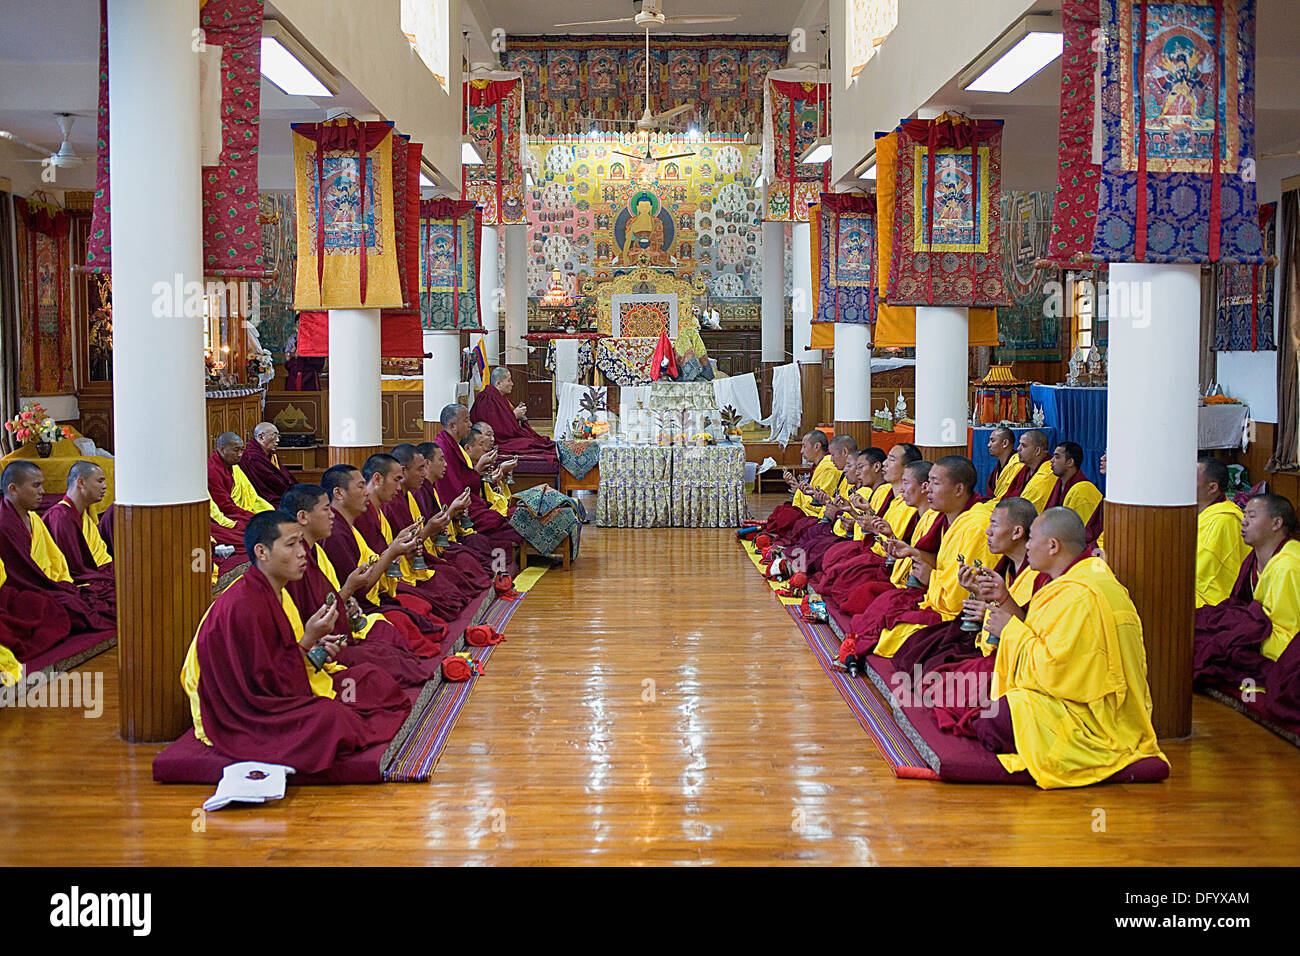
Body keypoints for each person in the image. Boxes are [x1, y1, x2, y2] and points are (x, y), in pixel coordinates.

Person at [180, 510, 412, 774]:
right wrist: (309, 641)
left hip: (282, 687)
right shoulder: (244, 604)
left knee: (372, 679)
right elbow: (260, 684)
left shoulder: (275, 591)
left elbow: (280, 658)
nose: (302, 552)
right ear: (262, 552)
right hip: (244, 712)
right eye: (291, 544)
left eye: (301, 543)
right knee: (331, 718)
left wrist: (315, 647)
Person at [972, 508, 1169, 789]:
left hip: (1091, 712)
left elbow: (1056, 671)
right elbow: (1049, 645)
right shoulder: (1076, 580)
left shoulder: (1081, 594)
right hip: (1080, 695)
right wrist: (1005, 606)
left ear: (1053, 546)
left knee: (996, 717)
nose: (1026, 545)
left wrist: (1010, 631)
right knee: (984, 704)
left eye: (1032, 539)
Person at [279, 484, 440, 685]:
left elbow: (329, 598)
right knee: (380, 669)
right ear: (303, 517)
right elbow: (304, 618)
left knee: (393, 643)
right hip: (319, 646)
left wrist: (346, 600)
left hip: (342, 625)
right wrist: (348, 590)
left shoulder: (316, 551)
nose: (331, 515)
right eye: (325, 509)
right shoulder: (296, 561)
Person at [851, 456, 995, 662]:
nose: (927, 489)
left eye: (935, 483)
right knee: (881, 607)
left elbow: (958, 598)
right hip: (934, 596)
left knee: (894, 638)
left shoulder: (975, 527)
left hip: (954, 614)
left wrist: (930, 578)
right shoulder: (952, 518)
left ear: (958, 490)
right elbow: (945, 566)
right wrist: (911, 551)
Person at [892, 495, 1040, 674]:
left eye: (994, 525)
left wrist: (987, 613)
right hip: (983, 640)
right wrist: (976, 592)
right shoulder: (1008, 566)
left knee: (939, 675)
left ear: (1017, 532)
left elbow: (1031, 629)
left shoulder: (1036, 576)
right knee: (917, 648)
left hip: (1009, 658)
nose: (988, 532)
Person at [318, 463, 448, 655]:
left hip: (375, 598)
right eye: (360, 487)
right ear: (338, 494)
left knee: (424, 608)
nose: (365, 493)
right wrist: (392, 553)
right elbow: (359, 592)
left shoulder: (349, 526)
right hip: (360, 610)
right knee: (401, 629)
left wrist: (401, 547)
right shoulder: (335, 533)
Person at [0, 461, 116, 662]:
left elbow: (56, 560)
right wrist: (61, 587)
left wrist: (63, 584)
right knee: (60, 607)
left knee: (76, 603)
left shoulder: (33, 519)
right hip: (23, 588)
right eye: (36, 485)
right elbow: (18, 573)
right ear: (13, 489)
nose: (42, 492)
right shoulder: (6, 523)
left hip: (49, 583)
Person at [1193, 494, 1300, 699]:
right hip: (1261, 628)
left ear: (1277, 523)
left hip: (1281, 641)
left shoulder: (1289, 566)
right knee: (1203, 630)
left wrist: (1245, 633)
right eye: (1244, 515)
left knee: (1227, 650)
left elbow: (1289, 632)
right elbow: (1240, 603)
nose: (1244, 522)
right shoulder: (1254, 558)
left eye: (1252, 516)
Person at [354, 453, 475, 621]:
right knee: (427, 610)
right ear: (377, 479)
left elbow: (396, 551)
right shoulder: (367, 514)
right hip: (381, 589)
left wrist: (409, 546)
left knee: (453, 582)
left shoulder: (393, 504)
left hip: (394, 578)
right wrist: (399, 550)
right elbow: (366, 569)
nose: (398, 487)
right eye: (396, 480)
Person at [385, 443, 491, 591]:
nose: (424, 473)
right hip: (410, 567)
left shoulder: (411, 494)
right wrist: (440, 520)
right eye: (420, 468)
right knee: (453, 579)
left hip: (426, 555)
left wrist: (453, 514)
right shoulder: (397, 502)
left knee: (473, 553)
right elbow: (406, 547)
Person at [42, 460, 115, 598]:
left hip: (98, 573)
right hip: (80, 582)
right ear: (81, 482)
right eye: (100, 481)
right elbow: (74, 570)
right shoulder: (60, 517)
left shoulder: (84, 516)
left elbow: (98, 557)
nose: (105, 487)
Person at [469, 367, 559, 469]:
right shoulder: (487, 399)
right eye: (508, 380)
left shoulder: (498, 397)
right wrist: (514, 415)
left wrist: (514, 416)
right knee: (529, 443)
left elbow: (502, 420)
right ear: (498, 383)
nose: (512, 383)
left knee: (533, 441)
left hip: (503, 438)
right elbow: (499, 430)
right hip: (496, 441)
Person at [762, 430, 842, 540]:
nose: (801, 451)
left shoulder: (828, 468)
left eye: (804, 446)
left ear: (817, 446)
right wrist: (797, 487)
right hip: (808, 509)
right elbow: (812, 493)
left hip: (817, 514)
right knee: (781, 512)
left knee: (786, 516)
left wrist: (798, 491)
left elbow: (818, 502)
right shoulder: (819, 465)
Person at [1195, 456, 1249, 608]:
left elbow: (1204, 573)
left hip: (1210, 600)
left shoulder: (1225, 520)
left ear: (1212, 488)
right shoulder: (1191, 511)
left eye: (1191, 479)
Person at [208, 431, 273, 546]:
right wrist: (249, 515)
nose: (240, 454)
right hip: (224, 514)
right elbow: (224, 505)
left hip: (234, 509)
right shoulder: (212, 470)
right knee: (248, 532)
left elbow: (249, 494)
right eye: (236, 450)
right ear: (222, 450)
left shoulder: (233, 467)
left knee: (268, 513)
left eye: (242, 450)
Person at [1046, 441, 1103, 544]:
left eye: (1057, 457)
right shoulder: (1059, 484)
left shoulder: (1083, 491)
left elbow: (1085, 534)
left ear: (1070, 462)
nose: (1052, 460)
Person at [239, 422, 297, 505]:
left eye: (278, 436)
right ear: (261, 437)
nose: (278, 440)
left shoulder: (271, 456)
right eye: (274, 435)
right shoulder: (251, 457)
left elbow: (284, 476)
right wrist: (292, 493)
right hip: (265, 500)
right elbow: (273, 482)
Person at [1002, 429, 1055, 512]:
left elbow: (1025, 512)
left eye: (1024, 445)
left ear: (1037, 451)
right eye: (1019, 444)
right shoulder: (1027, 469)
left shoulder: (1046, 476)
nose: (1018, 448)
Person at [985, 426, 1022, 499]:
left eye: (993, 441)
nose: (988, 445)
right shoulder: (1000, 466)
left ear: (1005, 443)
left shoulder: (1018, 465)